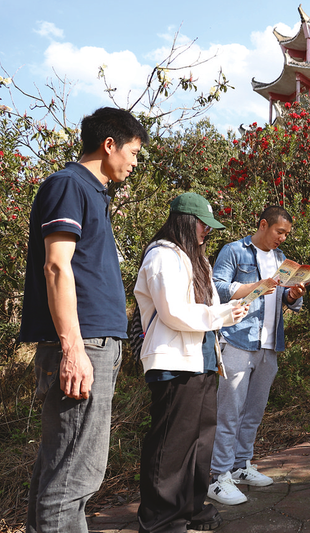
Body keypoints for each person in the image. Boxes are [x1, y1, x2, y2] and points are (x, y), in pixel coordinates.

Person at [19, 107, 148, 533]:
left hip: (92, 343)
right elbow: (56, 266)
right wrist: (73, 350)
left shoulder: (92, 192)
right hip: (83, 344)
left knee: (62, 468)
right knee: (75, 475)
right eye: (133, 152)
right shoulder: (69, 185)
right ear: (109, 145)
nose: (134, 162)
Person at [134, 193, 248, 533]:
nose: (206, 232)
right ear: (185, 222)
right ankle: (159, 517)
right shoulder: (162, 256)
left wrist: (228, 311)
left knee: (200, 441)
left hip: (203, 359)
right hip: (173, 361)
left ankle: (190, 506)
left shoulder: (197, 260)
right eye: (203, 225)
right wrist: (222, 315)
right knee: (172, 442)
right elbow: (172, 311)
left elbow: (209, 306)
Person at [207, 206, 305, 505]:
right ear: (263, 225)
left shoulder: (281, 259)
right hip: (238, 339)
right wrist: (254, 286)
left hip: (269, 343)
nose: (283, 238)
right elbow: (216, 288)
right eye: (279, 231)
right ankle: (219, 475)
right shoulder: (234, 251)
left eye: (286, 234)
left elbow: (283, 298)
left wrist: (293, 295)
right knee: (229, 411)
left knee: (254, 411)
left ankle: (241, 465)